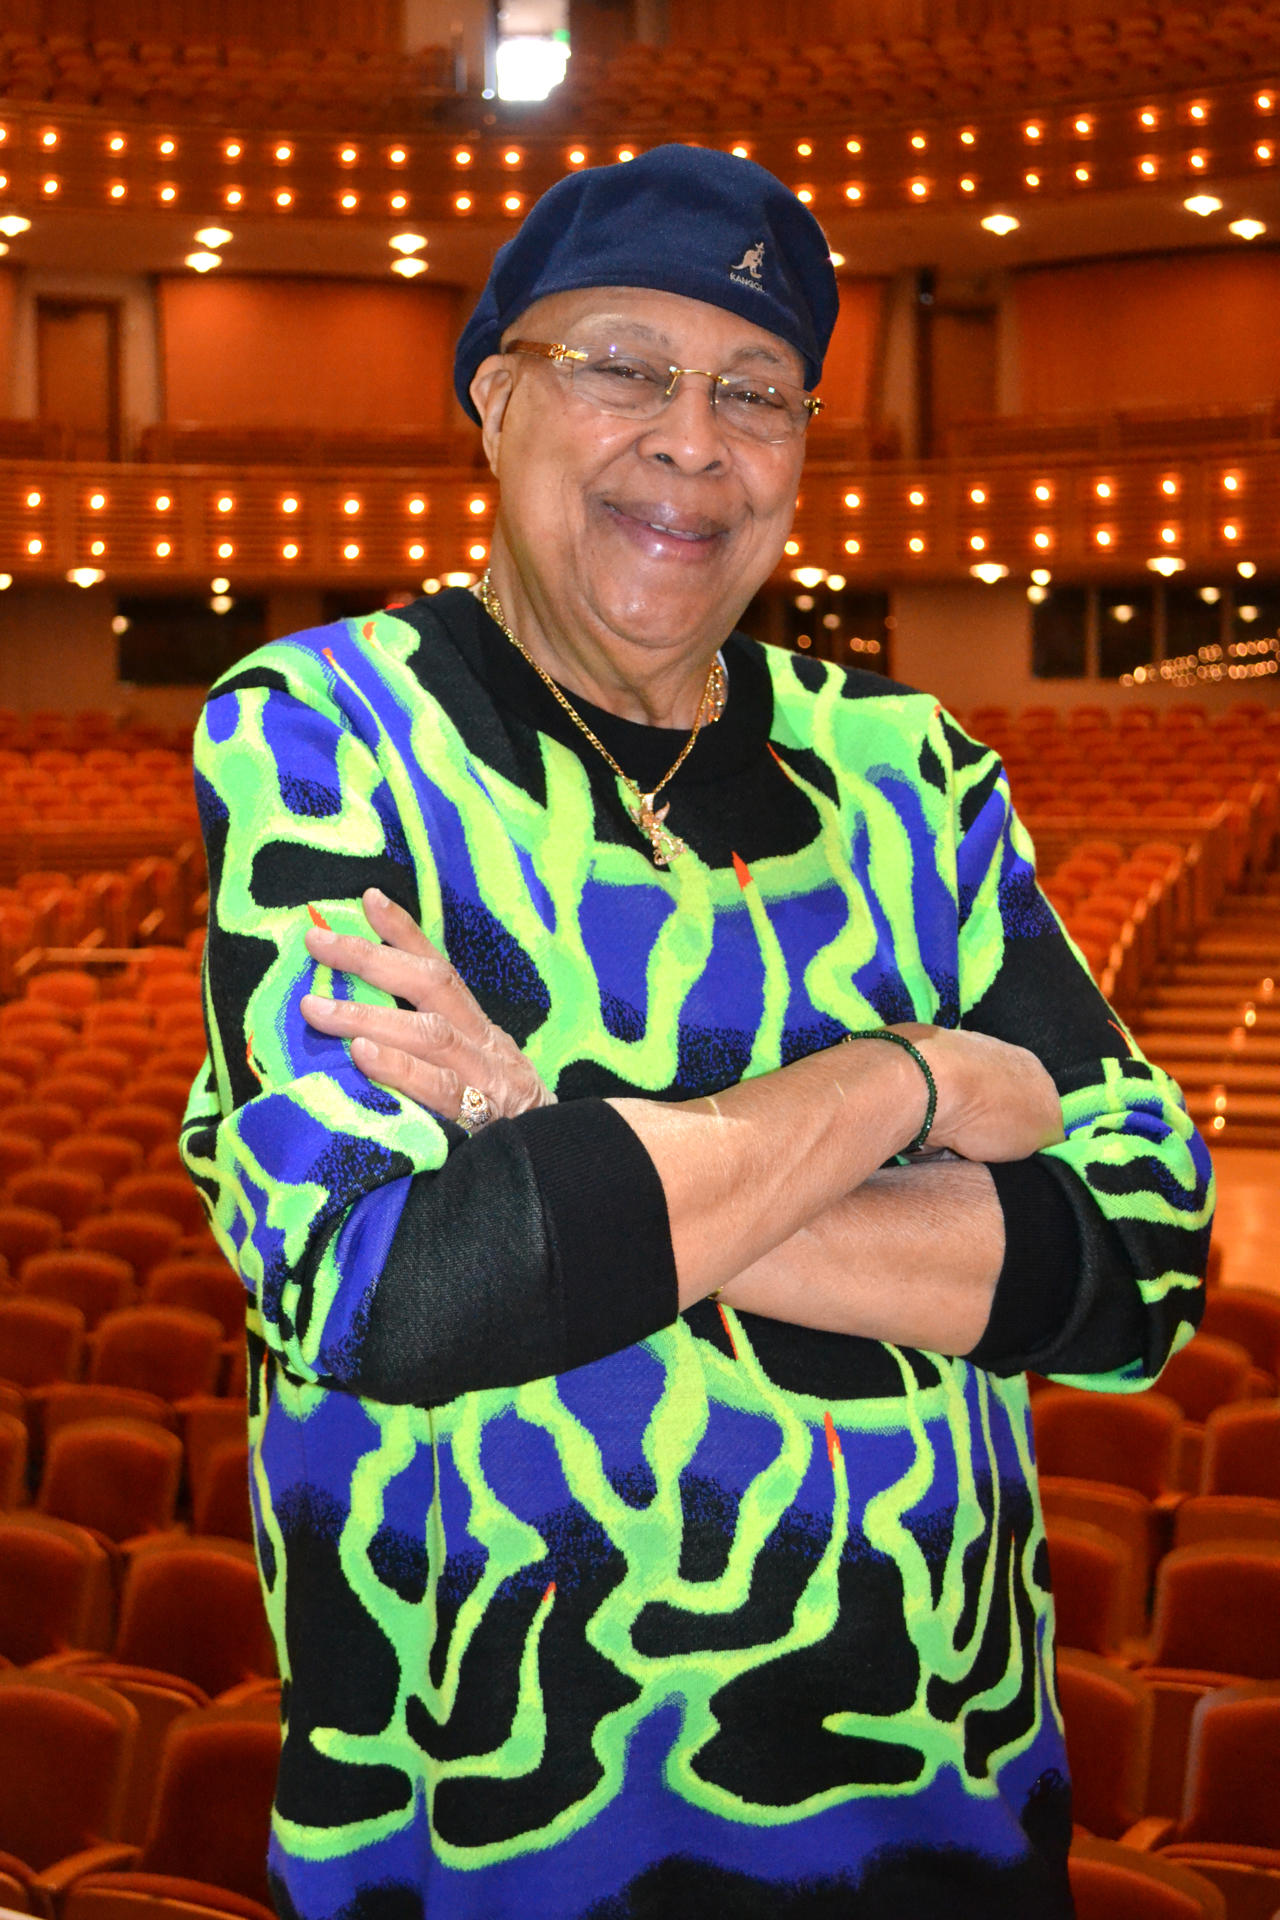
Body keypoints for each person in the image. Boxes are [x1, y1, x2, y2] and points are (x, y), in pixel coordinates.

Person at [181, 145, 1213, 1920]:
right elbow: (393, 1285)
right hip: (485, 1831)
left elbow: (1135, 1265)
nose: (692, 437)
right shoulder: (329, 733)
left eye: (755, 391)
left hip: (942, 1804)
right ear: (496, 400)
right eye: (624, 367)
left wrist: (553, 1135)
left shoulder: (914, 775)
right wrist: (898, 1083)